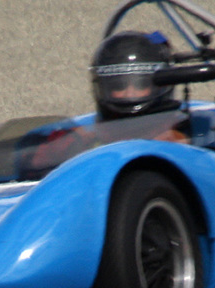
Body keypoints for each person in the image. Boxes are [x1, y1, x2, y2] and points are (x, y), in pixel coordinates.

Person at [19, 31, 191, 178]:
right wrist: (73, 145)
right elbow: (28, 167)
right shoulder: (80, 138)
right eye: (118, 86)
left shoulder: (185, 140)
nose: (129, 93)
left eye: (141, 85)